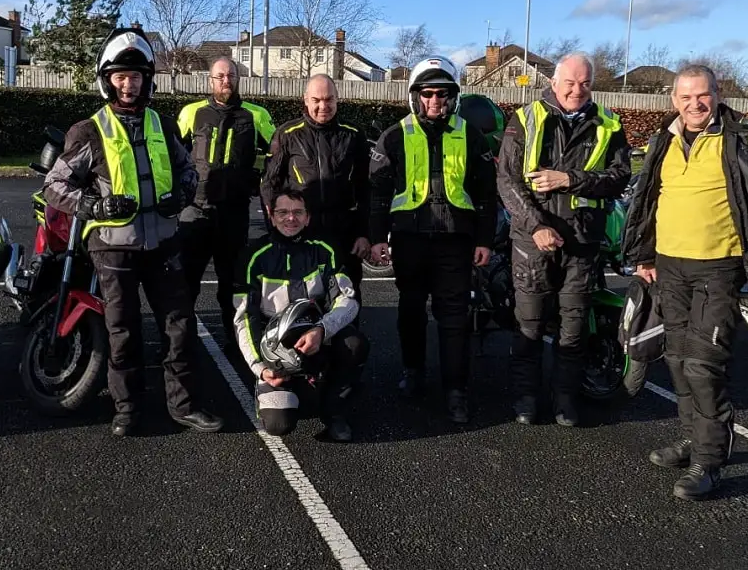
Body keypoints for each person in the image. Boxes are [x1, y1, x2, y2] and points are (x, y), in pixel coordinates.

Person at [622, 64, 748, 501]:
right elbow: (647, 198)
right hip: (670, 265)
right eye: (685, 97)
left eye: (703, 95)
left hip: (720, 267)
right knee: (677, 359)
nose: (695, 104)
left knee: (704, 365)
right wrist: (644, 253)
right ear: (673, 100)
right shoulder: (663, 138)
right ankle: (691, 439)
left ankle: (710, 460)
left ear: (717, 94)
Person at [43, 27, 223, 437]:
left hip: (163, 244)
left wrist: (180, 196)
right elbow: (54, 186)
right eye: (121, 76)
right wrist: (92, 206)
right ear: (107, 79)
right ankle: (127, 409)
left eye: (136, 76)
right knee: (122, 332)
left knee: (179, 326)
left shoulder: (162, 124)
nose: (129, 84)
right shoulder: (88, 131)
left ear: (147, 80)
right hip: (113, 249)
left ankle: (184, 405)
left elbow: (188, 171)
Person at [497, 52, 631, 427]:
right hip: (532, 240)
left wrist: (569, 179)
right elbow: (507, 181)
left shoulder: (609, 124)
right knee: (530, 324)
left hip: (582, 240)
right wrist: (537, 225)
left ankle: (565, 400)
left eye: (585, 83)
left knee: (573, 327)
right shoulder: (526, 119)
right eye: (570, 83)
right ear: (554, 83)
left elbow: (621, 177)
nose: (577, 90)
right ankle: (526, 398)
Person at [368, 57, 496, 423]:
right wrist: (378, 238)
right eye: (428, 94)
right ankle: (413, 373)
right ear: (415, 96)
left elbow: (486, 193)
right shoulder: (395, 135)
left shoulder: (470, 134)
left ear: (454, 97)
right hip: (409, 240)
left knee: (454, 318)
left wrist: (484, 239)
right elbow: (377, 193)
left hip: (456, 241)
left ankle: (456, 389)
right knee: (410, 312)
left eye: (443, 94)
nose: (435, 101)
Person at [234, 189, 369, 442]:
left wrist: (322, 329)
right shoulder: (253, 256)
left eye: (297, 212)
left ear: (307, 218)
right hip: (275, 350)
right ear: (271, 216)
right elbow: (243, 318)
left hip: (315, 337)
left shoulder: (325, 248)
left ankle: (334, 412)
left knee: (354, 344)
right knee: (278, 424)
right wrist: (261, 368)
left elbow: (348, 301)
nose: (290, 219)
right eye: (283, 212)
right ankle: (281, 389)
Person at [177, 58, 275, 339]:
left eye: (230, 75)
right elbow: (171, 157)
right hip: (195, 211)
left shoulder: (256, 115)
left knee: (232, 282)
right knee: (186, 281)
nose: (225, 81)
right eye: (219, 76)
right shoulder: (190, 113)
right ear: (210, 80)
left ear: (238, 78)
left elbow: (278, 154)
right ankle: (180, 341)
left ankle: (235, 341)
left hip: (234, 213)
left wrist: (259, 180)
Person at [260, 74, 371, 302]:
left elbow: (365, 188)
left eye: (329, 99)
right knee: (300, 300)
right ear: (306, 100)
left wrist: (364, 233)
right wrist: (276, 230)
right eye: (317, 100)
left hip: (344, 235)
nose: (323, 106)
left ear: (337, 99)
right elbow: (270, 185)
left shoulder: (354, 134)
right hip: (302, 234)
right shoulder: (286, 134)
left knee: (346, 300)